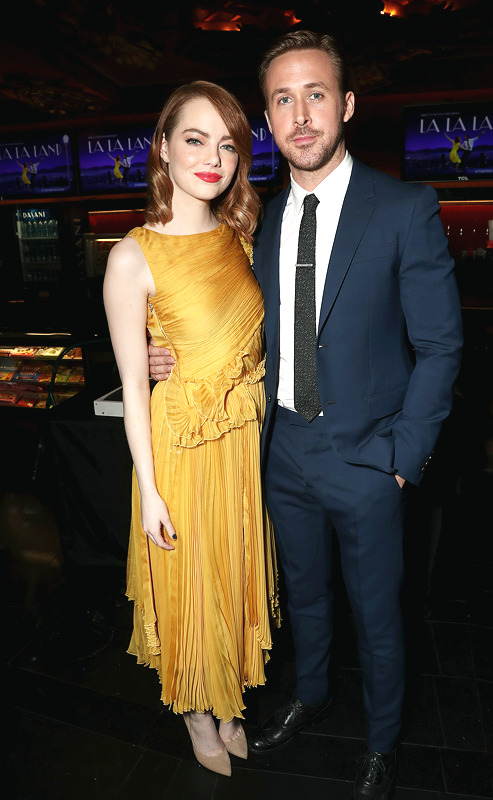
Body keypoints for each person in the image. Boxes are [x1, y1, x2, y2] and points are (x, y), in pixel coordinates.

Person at [149, 31, 463, 800]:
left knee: (380, 614)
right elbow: (221, 323)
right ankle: (311, 696)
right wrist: (171, 358)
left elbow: (443, 347)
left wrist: (400, 457)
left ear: (347, 105)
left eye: (315, 93)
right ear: (267, 115)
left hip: (367, 457)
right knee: (304, 596)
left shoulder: (404, 207)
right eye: (283, 99)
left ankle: (383, 742)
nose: (301, 114)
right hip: (279, 451)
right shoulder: (249, 221)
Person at [103, 80, 279, 778]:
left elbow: (252, 341)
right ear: (163, 149)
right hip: (179, 446)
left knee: (231, 574)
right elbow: (135, 392)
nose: (214, 157)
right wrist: (149, 491)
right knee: (193, 581)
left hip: (239, 441)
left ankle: (228, 696)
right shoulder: (131, 256)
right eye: (196, 139)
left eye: (229, 143)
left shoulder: (240, 234)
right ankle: (200, 713)